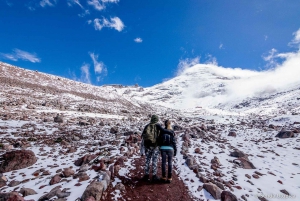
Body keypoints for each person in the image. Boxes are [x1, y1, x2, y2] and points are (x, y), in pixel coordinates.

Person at [140, 115, 173, 182]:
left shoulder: (147, 126)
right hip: (155, 147)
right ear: (157, 119)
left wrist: (142, 150)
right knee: (154, 161)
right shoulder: (158, 126)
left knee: (147, 160)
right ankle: (154, 176)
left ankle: (146, 176)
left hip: (148, 147)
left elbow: (143, 138)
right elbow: (162, 133)